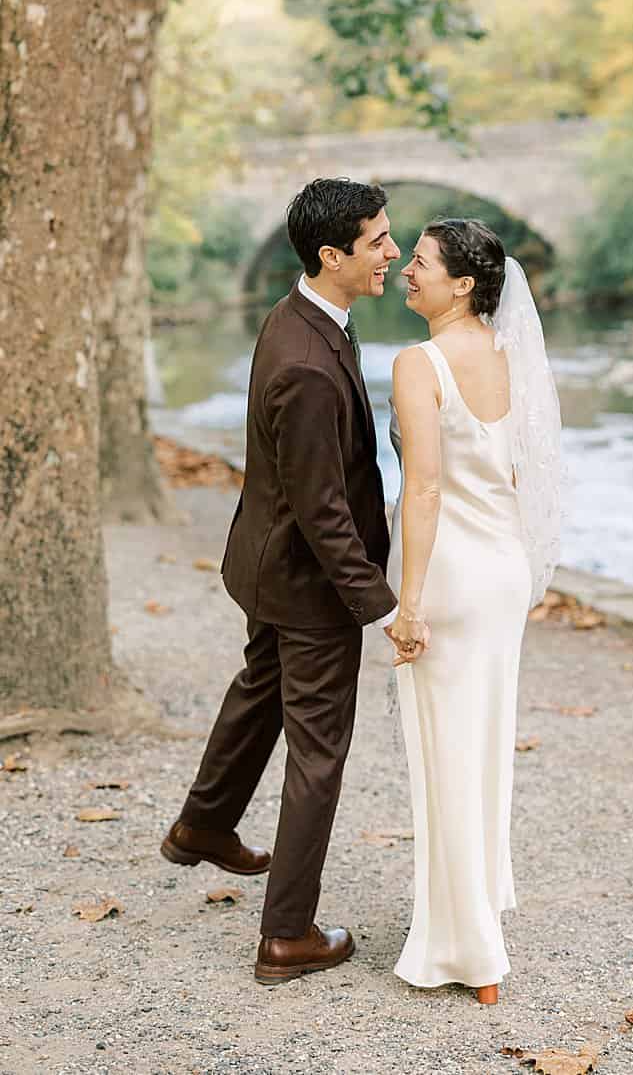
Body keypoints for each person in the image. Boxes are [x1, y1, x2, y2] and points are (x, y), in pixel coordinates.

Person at [161, 178, 419, 984]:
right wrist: (379, 606)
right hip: (307, 586)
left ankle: (203, 827)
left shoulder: (301, 312)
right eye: (378, 241)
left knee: (257, 690)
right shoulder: (308, 362)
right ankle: (287, 934)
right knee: (318, 751)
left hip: (267, 567)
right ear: (331, 255)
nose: (393, 252)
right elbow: (323, 510)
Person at [383, 218, 564, 1004]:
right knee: (485, 746)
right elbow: (526, 475)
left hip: (451, 578)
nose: (404, 272)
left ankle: (471, 954)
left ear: (462, 282)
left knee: (445, 754)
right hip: (502, 572)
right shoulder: (509, 352)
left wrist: (409, 602)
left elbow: (422, 487)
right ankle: (478, 903)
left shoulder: (418, 363)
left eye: (418, 263)